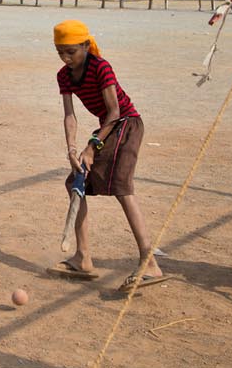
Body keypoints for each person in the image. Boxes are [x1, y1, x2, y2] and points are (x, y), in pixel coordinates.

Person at [49, 19, 165, 289]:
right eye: (60, 53)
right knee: (74, 183)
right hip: (106, 129)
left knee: (122, 188)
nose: (66, 59)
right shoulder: (63, 76)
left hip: (126, 124)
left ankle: (150, 263)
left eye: (71, 52)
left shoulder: (101, 66)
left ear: (86, 46)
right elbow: (69, 115)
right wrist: (72, 149)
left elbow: (114, 112)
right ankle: (83, 258)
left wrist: (91, 148)